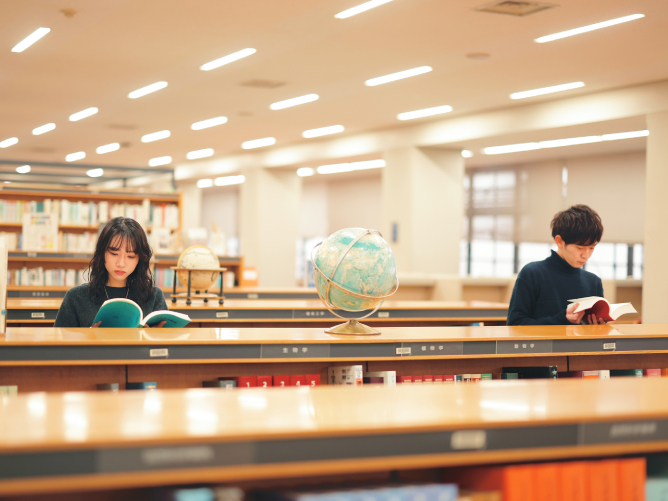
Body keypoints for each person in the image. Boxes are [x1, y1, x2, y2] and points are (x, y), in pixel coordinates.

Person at [54, 217, 168, 327]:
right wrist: (89, 339)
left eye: (131, 256)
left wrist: (153, 338)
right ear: (102, 253)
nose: (121, 263)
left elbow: (166, 345)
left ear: (140, 259)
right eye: (114, 254)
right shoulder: (76, 298)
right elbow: (58, 344)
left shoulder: (154, 296)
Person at [507, 204, 606, 326]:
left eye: (591, 248)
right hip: (541, 345)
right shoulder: (532, 274)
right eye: (580, 247)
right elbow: (515, 324)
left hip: (580, 345)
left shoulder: (593, 282)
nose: (586, 255)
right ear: (559, 241)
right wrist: (561, 319)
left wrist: (598, 328)